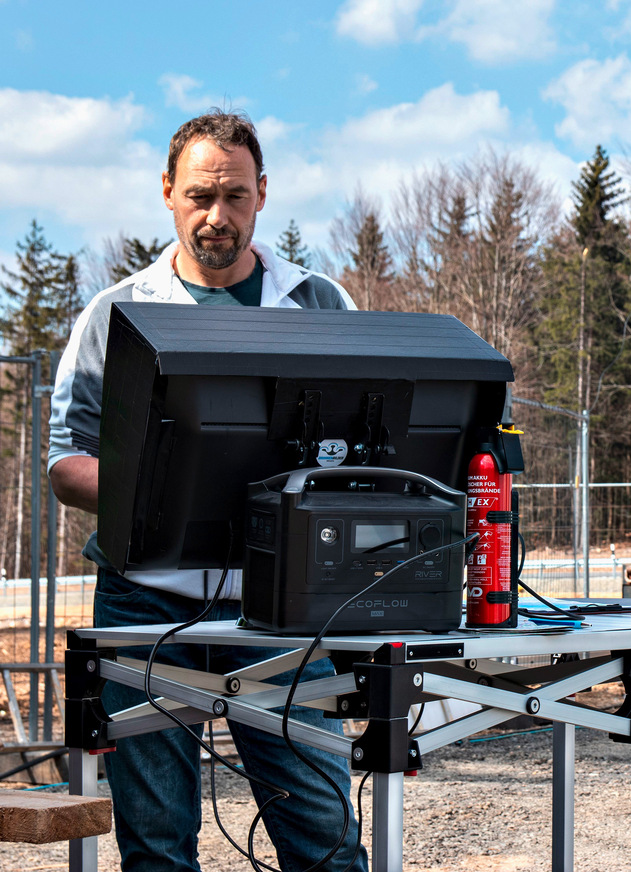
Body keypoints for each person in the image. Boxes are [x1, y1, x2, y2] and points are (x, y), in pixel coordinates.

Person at [48, 110, 369, 872]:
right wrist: (174, 496)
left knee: (324, 837)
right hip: (143, 600)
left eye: (233, 197)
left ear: (263, 194)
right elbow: (67, 463)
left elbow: (366, 453)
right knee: (156, 848)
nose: (215, 216)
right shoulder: (117, 312)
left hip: (283, 606)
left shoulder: (318, 304)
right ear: (167, 193)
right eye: (199, 196)